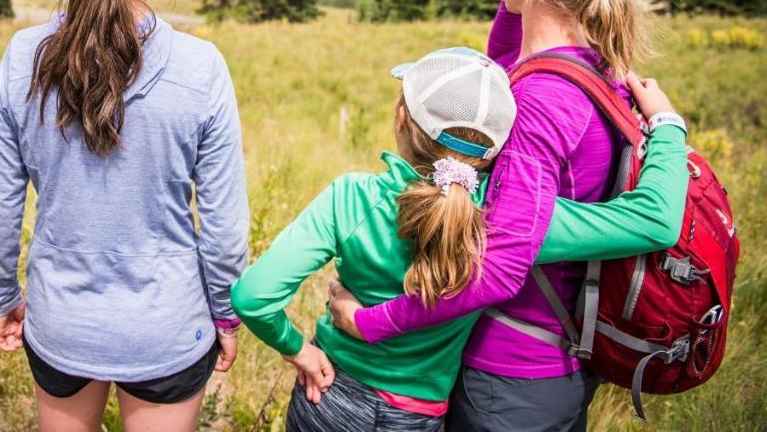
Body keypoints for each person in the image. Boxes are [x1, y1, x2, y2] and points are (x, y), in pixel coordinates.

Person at [330, 0, 689, 431]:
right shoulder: (590, 62)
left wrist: (369, 323)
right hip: (551, 361)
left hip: (509, 379)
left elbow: (498, 270)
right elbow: (501, 65)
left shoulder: (542, 102)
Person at [232, 47, 690, 432]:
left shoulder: (351, 198)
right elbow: (655, 220)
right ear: (495, 149)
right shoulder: (516, 219)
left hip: (327, 395)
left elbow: (254, 297)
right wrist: (666, 124)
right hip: (416, 416)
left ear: (401, 119)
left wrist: (300, 352)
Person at [0, 0, 249, 432]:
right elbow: (224, 228)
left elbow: (0, 208)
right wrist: (225, 311)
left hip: (61, 325)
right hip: (167, 329)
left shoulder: (23, 57)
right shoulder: (202, 68)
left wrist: (2, 296)